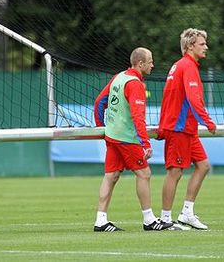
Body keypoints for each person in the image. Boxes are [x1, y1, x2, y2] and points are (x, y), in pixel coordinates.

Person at [92, 47, 173, 232]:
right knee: (144, 174)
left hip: (112, 136)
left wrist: (102, 128)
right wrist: (145, 143)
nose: (153, 64)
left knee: (110, 176)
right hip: (126, 138)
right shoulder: (135, 84)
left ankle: (100, 221)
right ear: (140, 64)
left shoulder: (119, 77)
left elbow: (99, 103)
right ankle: (149, 220)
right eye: (150, 61)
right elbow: (138, 117)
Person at [158, 28, 216, 230]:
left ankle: (187, 213)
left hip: (186, 128)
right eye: (202, 44)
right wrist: (207, 121)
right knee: (175, 172)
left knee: (203, 165)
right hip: (179, 128)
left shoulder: (180, 65)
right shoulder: (187, 66)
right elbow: (193, 98)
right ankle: (165, 219)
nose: (206, 47)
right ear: (190, 46)